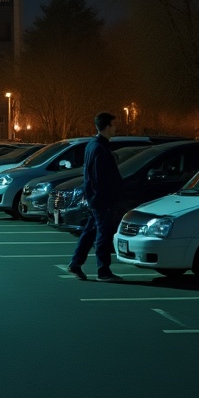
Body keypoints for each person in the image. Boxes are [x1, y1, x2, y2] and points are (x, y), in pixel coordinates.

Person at [67, 112, 123, 282]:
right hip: (102, 199)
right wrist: (104, 197)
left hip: (95, 198)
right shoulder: (99, 148)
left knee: (90, 231)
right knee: (103, 234)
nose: (116, 128)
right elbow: (99, 177)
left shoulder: (93, 145)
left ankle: (76, 263)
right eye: (114, 125)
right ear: (107, 127)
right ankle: (103, 270)